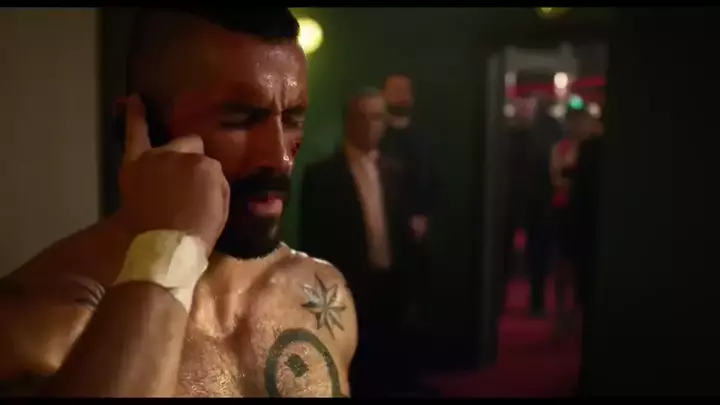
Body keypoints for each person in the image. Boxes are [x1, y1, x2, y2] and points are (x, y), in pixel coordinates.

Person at [0, 8, 357, 397]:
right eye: (239, 119)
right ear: (138, 126)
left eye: (292, 120)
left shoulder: (320, 292)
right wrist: (167, 247)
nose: (280, 158)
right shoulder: (36, 317)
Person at [300, 88, 419, 397]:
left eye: (377, 117)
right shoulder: (322, 176)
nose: (370, 125)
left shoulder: (395, 171)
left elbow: (404, 236)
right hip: (348, 289)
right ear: (348, 121)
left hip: (391, 286)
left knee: (391, 372)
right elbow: (312, 242)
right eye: (362, 117)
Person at [549, 106, 595, 335]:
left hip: (583, 212)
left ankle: (576, 312)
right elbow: (557, 179)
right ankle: (560, 312)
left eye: (581, 121)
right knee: (563, 263)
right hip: (564, 210)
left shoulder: (593, 149)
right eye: (574, 122)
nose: (578, 126)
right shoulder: (561, 148)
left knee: (580, 265)